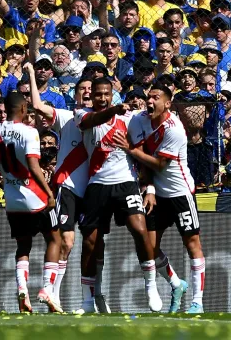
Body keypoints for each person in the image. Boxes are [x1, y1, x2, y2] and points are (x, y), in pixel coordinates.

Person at [113, 84, 205, 314]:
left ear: (168, 103)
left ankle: (198, 302)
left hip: (179, 193)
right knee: (149, 247)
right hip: (154, 193)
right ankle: (176, 283)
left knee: (192, 244)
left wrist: (131, 151)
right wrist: (150, 188)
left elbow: (159, 164)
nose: (150, 101)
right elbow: (143, 160)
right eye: (148, 97)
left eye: (156, 98)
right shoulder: (139, 119)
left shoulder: (174, 129)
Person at [74, 77, 162, 313]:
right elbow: (94, 119)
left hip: (126, 183)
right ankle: (88, 300)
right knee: (91, 242)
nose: (102, 98)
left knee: (140, 229)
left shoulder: (129, 119)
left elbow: (142, 153)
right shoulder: (82, 114)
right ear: (91, 95)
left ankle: (151, 286)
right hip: (97, 185)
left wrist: (150, 188)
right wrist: (114, 108)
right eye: (98, 94)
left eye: (106, 94)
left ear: (112, 94)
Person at [30, 73, 110, 313]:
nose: (86, 92)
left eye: (90, 89)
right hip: (68, 186)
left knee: (96, 245)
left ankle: (96, 295)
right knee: (66, 240)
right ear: (75, 95)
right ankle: (53, 294)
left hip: (96, 188)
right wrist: (33, 75)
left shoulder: (107, 120)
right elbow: (36, 105)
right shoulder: (66, 117)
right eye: (82, 89)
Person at [0, 81, 61, 313]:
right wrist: (49, 193)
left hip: (12, 199)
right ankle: (46, 288)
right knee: (54, 239)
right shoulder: (29, 131)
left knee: (23, 246)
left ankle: (22, 288)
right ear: (24, 109)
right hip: (35, 196)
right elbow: (34, 167)